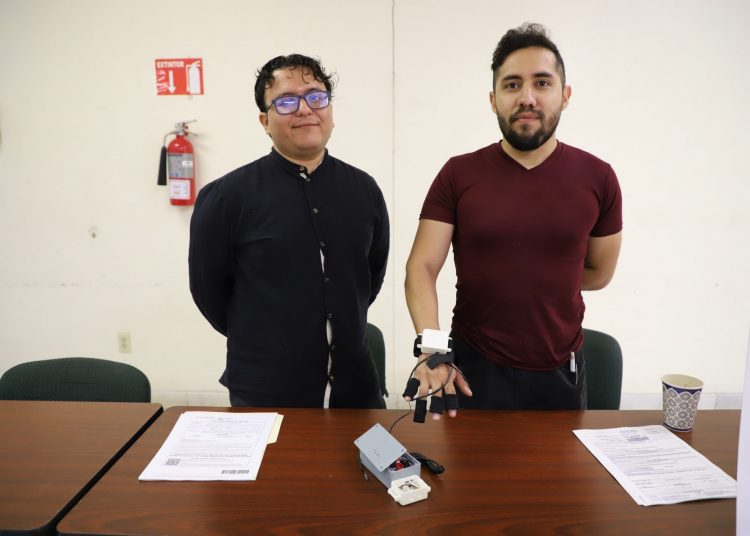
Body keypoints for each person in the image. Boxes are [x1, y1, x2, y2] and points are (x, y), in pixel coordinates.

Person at [404, 23, 622, 417]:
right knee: (469, 462)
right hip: (472, 371)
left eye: (542, 82)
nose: (527, 97)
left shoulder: (599, 177)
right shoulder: (457, 174)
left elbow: (599, 273)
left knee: (559, 462)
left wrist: (537, 276)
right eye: (512, 85)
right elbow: (421, 267)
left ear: (565, 95)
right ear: (493, 99)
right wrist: (433, 350)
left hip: (561, 373)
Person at [189, 54, 389, 409]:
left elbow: (369, 278)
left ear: (330, 110)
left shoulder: (364, 189)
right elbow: (209, 291)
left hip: (357, 389)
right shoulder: (226, 197)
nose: (305, 109)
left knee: (368, 451)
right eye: (286, 101)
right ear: (265, 121)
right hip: (264, 390)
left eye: (316, 97)